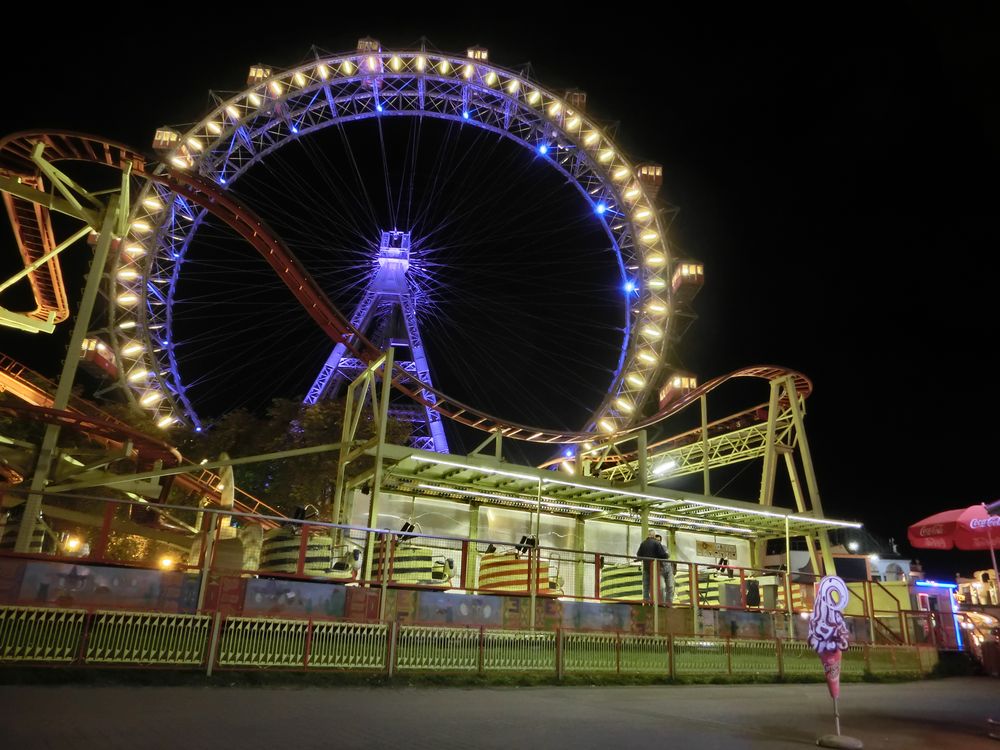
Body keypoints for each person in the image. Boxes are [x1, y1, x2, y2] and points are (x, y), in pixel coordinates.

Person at [636, 529, 664, 603]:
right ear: (654, 535)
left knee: (646, 585)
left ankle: (646, 600)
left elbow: (638, 555)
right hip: (655, 568)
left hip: (646, 567)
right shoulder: (657, 543)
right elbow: (663, 555)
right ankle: (656, 601)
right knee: (657, 585)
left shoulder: (643, 543)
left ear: (648, 535)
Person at [655, 534, 675, 605]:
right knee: (662, 588)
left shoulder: (664, 547)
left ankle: (669, 604)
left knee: (671, 587)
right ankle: (662, 604)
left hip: (668, 569)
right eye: (656, 541)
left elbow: (667, 555)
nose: (658, 542)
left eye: (659, 541)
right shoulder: (652, 550)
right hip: (659, 570)